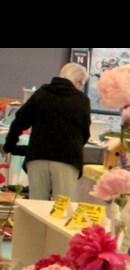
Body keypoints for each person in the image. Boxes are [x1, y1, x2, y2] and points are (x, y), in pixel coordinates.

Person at [2, 63, 91, 202]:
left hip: (38, 158)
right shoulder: (81, 100)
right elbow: (85, 133)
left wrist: (9, 145)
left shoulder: (41, 94)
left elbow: (19, 120)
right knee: (61, 207)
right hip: (66, 160)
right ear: (78, 82)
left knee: (36, 206)